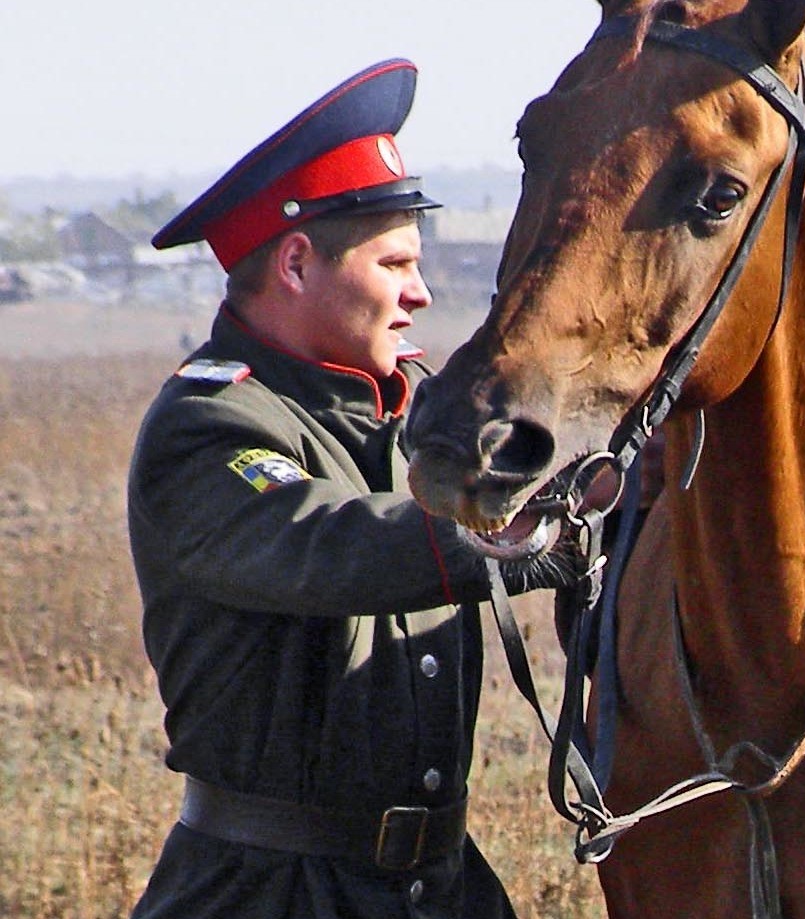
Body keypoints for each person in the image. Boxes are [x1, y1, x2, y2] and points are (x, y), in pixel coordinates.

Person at [127, 59, 558, 919]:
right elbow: (341, 542)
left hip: (441, 891)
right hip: (270, 896)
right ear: (294, 263)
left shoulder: (407, 416)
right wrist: (535, 524)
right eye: (394, 263)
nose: (420, 294)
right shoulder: (209, 427)